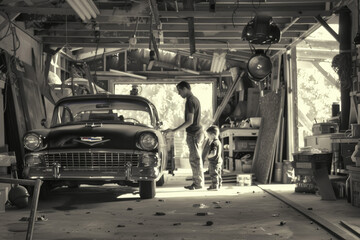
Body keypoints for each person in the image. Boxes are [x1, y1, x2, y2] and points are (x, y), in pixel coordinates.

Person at [165, 81, 204, 190]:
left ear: (185, 89)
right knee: (195, 158)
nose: (179, 93)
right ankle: (198, 182)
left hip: (194, 133)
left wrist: (174, 130)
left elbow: (189, 121)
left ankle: (198, 184)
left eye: (180, 90)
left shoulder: (190, 101)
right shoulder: (195, 99)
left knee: (195, 159)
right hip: (197, 132)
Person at [205, 125, 223, 191]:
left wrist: (208, 156)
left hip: (213, 162)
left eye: (208, 135)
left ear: (213, 135)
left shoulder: (214, 143)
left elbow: (213, 153)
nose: (208, 137)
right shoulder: (219, 142)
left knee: (213, 174)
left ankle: (214, 186)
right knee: (218, 173)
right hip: (219, 160)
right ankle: (219, 185)